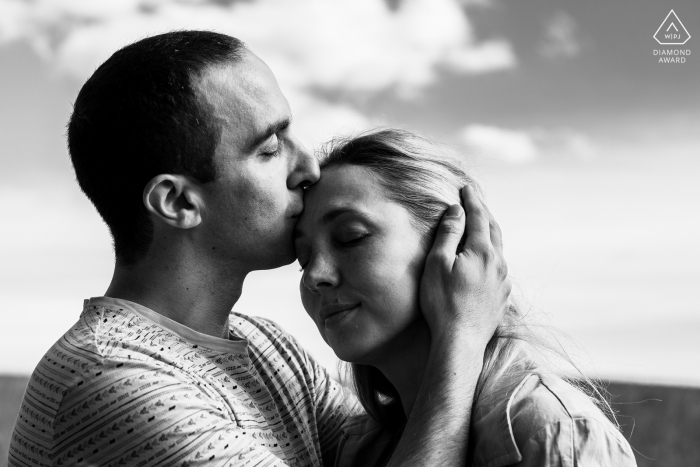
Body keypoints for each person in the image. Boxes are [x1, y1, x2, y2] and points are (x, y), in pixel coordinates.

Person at [9, 32, 511, 467]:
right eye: (269, 150)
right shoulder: (116, 379)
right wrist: (462, 335)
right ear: (179, 201)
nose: (308, 168)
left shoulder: (268, 349)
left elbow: (388, 452)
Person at [294, 129, 638, 467]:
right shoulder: (358, 447)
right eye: (303, 258)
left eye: (351, 237)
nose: (314, 275)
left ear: (458, 244)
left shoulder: (550, 433)